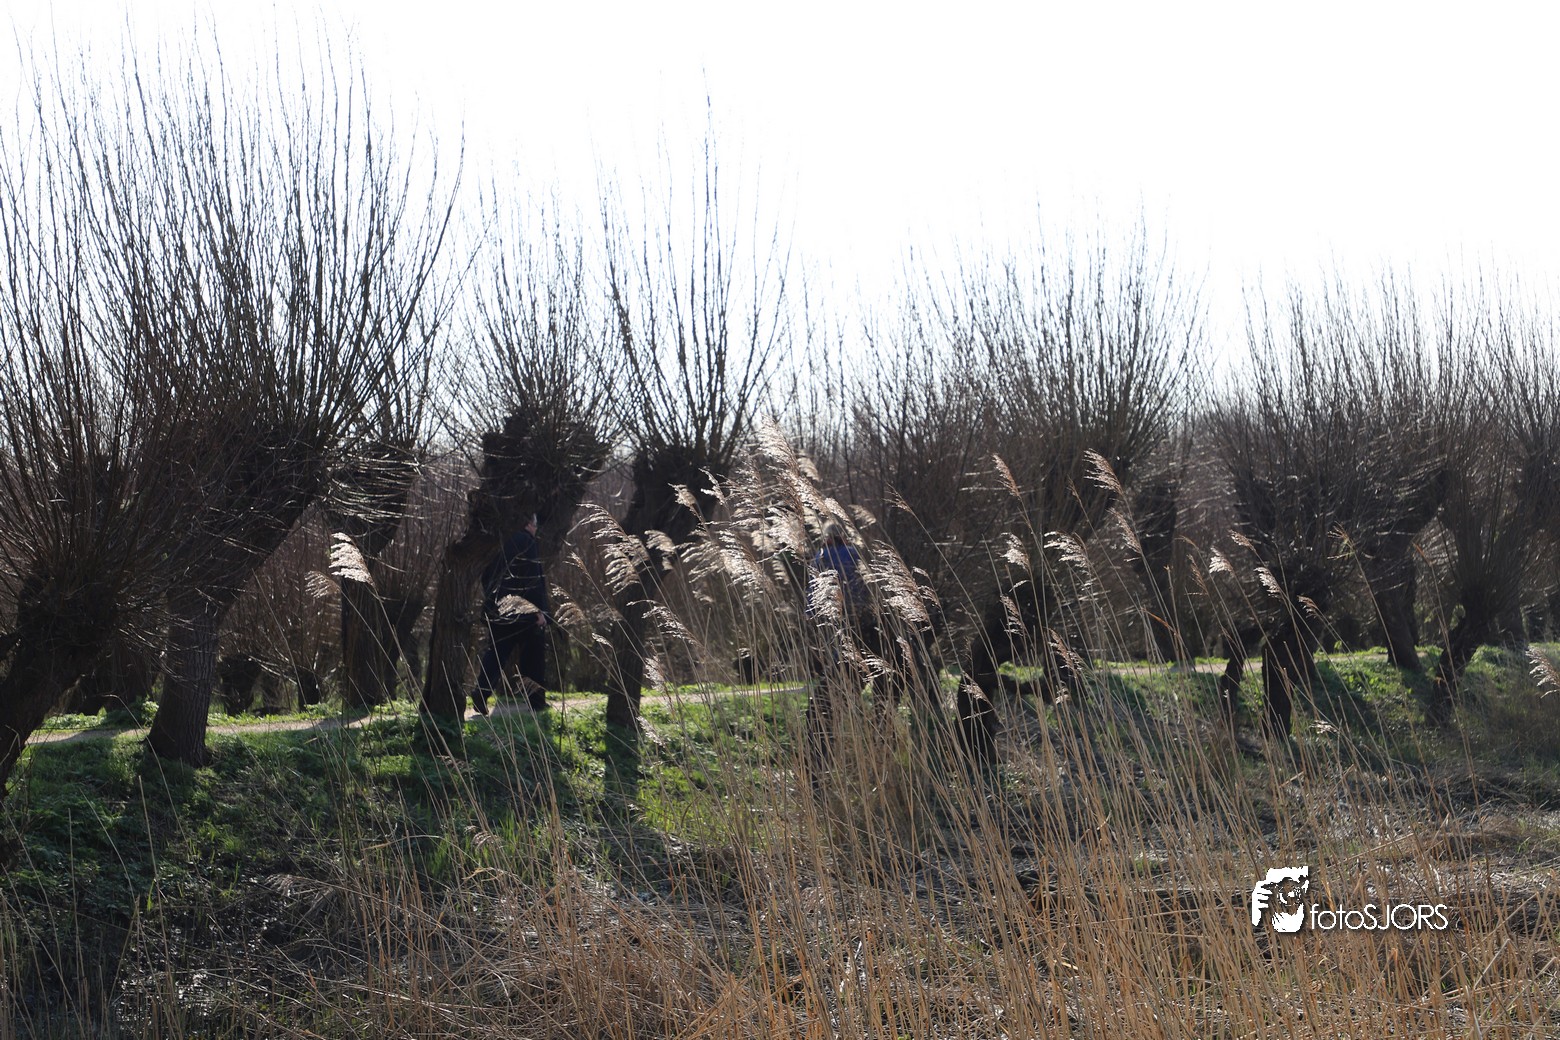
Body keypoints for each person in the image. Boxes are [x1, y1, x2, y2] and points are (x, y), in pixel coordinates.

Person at [472, 514, 550, 714]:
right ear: (528, 524)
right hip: (524, 610)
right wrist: (539, 610)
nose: (536, 530)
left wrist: (493, 599)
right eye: (535, 525)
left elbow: (486, 575)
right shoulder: (527, 542)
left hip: (498, 608)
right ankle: (536, 700)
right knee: (533, 655)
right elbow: (533, 578)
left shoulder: (497, 541)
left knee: (497, 652)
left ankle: (482, 691)